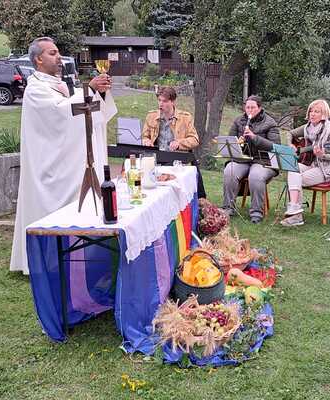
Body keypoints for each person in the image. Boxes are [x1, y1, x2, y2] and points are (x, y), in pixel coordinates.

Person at [10, 37, 117, 275]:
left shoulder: (59, 84)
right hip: (50, 163)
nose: (59, 57)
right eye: (52, 53)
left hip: (70, 159)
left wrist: (99, 92)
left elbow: (80, 107)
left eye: (58, 52)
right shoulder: (36, 89)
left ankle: (84, 252)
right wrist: (90, 89)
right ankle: (54, 259)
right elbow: (60, 114)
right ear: (38, 59)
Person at [280, 99, 330, 227]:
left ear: (324, 114)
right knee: (292, 168)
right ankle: (295, 209)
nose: (312, 114)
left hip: (328, 169)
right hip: (312, 164)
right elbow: (290, 133)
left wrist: (321, 155)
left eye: (316, 112)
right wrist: (290, 144)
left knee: (297, 178)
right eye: (311, 111)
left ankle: (296, 215)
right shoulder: (308, 127)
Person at [221, 95, 281, 223]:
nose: (249, 110)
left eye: (252, 107)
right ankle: (228, 208)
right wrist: (238, 142)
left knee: (256, 176)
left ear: (259, 108)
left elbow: (275, 146)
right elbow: (230, 141)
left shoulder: (270, 123)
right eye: (247, 107)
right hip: (243, 159)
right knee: (229, 171)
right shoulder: (239, 121)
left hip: (263, 160)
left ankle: (256, 213)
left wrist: (255, 137)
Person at [141, 86, 206, 198]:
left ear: (173, 102)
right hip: (156, 158)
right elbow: (144, 136)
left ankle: (198, 201)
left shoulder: (185, 117)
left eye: (164, 101)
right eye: (159, 100)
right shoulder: (151, 116)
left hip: (177, 158)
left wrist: (179, 143)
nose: (161, 104)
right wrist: (146, 141)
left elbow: (195, 140)